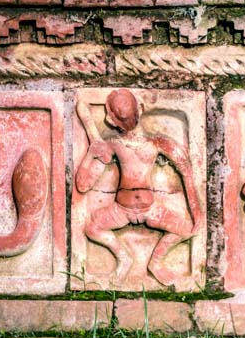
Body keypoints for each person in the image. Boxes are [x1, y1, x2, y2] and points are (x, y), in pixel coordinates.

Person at [75, 89, 202, 286]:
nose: (126, 119)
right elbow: (83, 185)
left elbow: (186, 170)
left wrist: (196, 211)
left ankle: (156, 262)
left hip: (150, 209)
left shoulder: (157, 143)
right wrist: (90, 156)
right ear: (111, 119)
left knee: (187, 230)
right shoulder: (112, 145)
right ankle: (123, 257)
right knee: (92, 228)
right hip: (121, 210)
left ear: (140, 109)